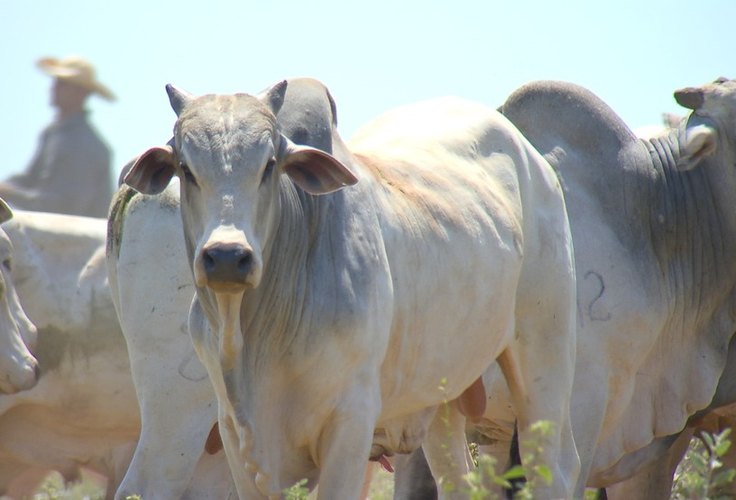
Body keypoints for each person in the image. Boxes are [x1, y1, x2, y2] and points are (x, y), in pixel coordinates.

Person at [0, 56, 115, 218]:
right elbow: (28, 179)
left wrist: (9, 194)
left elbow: (64, 209)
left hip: (79, 240)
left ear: (80, 93)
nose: (53, 88)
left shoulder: (84, 144)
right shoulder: (53, 133)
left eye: (62, 84)